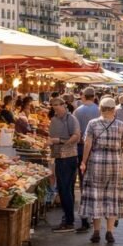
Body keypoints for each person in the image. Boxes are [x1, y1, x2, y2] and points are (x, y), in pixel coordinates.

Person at [79, 97, 123, 245]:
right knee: (112, 196)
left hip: (96, 162)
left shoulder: (93, 124)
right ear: (114, 110)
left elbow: (87, 144)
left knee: (97, 196)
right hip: (115, 163)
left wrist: (84, 161)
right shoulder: (121, 125)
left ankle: (96, 231)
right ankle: (109, 231)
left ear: (100, 109)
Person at [49, 97, 81, 232]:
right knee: (66, 189)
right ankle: (68, 218)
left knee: (64, 189)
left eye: (57, 105)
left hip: (68, 157)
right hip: (59, 157)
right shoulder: (54, 119)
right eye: (53, 105)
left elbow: (76, 136)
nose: (55, 107)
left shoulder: (71, 119)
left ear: (64, 105)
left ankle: (69, 221)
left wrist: (61, 142)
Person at [73, 87, 101, 233]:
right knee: (95, 183)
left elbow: (74, 131)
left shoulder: (78, 111)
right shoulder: (99, 110)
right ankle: (94, 214)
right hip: (97, 150)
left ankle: (85, 218)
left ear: (84, 96)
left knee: (84, 182)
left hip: (81, 148)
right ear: (94, 96)